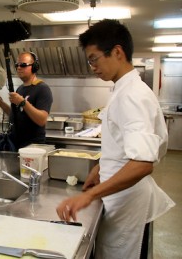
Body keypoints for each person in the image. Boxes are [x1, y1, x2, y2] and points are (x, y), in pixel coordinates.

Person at [56, 19, 175, 259]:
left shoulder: (131, 95)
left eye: (94, 59)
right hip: (119, 196)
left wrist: (90, 194)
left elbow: (142, 163)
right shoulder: (123, 88)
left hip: (127, 201)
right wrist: (100, 168)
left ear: (117, 52)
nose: (92, 67)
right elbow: (123, 144)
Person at [0, 51, 53, 149]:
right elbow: (15, 114)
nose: (19, 68)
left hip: (33, 146)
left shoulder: (42, 88)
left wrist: (23, 102)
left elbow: (42, 120)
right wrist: (1, 104)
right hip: (16, 144)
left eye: (23, 65)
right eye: (17, 65)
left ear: (34, 67)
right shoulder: (20, 89)